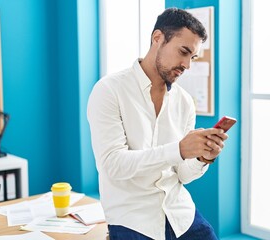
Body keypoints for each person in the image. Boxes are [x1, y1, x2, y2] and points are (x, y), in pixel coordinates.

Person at [87, 7, 228, 240]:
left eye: (192, 57)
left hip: (180, 213)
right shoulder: (109, 90)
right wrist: (179, 149)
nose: (187, 65)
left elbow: (183, 175)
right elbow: (112, 165)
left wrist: (203, 158)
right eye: (183, 52)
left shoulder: (184, 102)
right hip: (132, 217)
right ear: (157, 38)